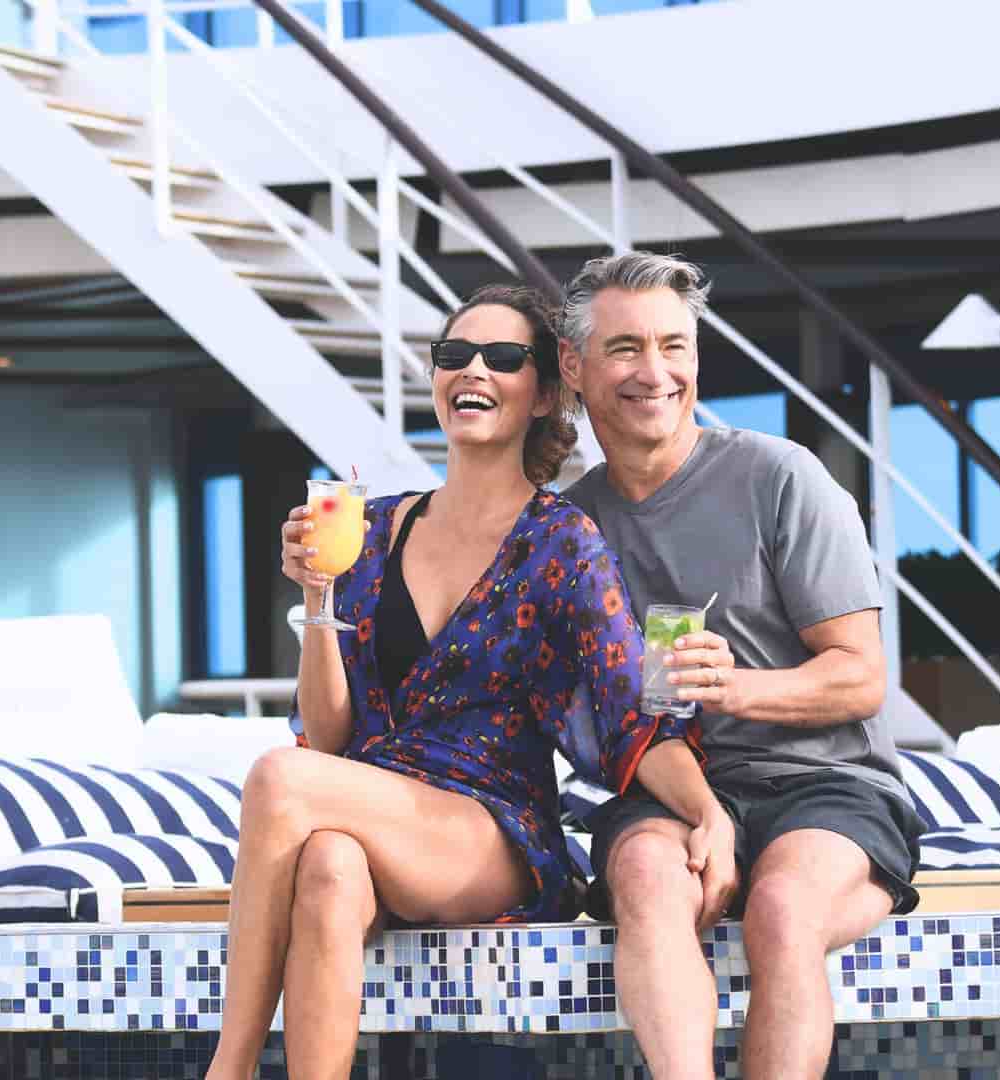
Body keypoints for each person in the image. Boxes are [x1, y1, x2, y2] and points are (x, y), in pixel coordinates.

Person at [202, 284, 701, 1080]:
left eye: (503, 358)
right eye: (454, 354)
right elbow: (327, 739)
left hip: (492, 828)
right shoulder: (370, 528)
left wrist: (708, 815)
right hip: (375, 807)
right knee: (328, 867)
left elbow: (628, 708)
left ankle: (226, 1069)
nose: (474, 370)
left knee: (276, 777)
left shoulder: (562, 542)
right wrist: (319, 596)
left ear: (544, 394)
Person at [557, 252, 924, 1080]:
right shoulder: (570, 528)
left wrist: (734, 687)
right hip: (674, 788)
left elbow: (861, 678)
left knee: (783, 910)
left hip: (827, 784)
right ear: (574, 367)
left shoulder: (779, 477)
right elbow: (618, 723)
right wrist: (706, 813)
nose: (655, 372)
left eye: (674, 346)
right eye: (625, 348)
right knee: (647, 879)